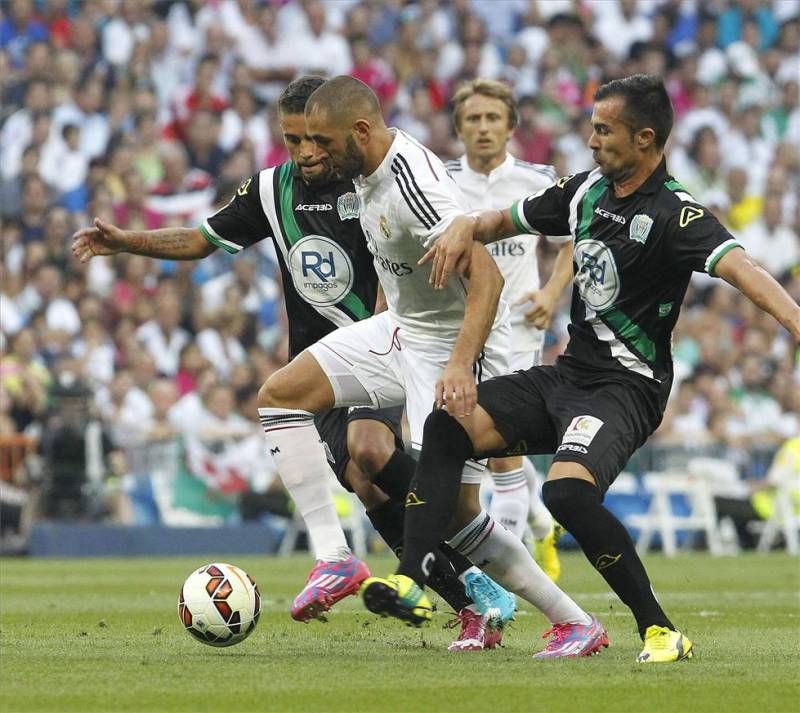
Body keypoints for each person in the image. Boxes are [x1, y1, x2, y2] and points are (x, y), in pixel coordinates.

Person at [71, 76, 504, 649]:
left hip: (385, 346)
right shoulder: (271, 190)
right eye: (292, 140)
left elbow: (413, 265)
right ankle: (467, 594)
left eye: (312, 140)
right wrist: (129, 241)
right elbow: (202, 239)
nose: (305, 153)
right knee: (364, 483)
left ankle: (457, 568)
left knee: (371, 452)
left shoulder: (369, 179)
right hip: (317, 365)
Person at [392, 74, 800, 663]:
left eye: (604, 130)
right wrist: (465, 226)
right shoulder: (584, 192)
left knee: (565, 494)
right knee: (448, 423)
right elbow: (503, 220)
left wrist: (793, 321)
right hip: (569, 375)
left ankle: (660, 631)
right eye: (592, 126)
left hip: (626, 389)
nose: (591, 140)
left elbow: (741, 267)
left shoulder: (677, 214)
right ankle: (412, 576)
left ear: (645, 138)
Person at [270, 75, 606, 657]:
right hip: (398, 331)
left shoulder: (413, 186)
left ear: (361, 131)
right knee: (280, 394)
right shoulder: (366, 175)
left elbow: (489, 276)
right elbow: (397, 274)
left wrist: (459, 364)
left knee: (458, 512)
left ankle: (573, 620)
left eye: (322, 141)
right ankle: (334, 557)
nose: (313, 153)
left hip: (444, 347)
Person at [447, 78, 572, 581]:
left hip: (517, 327)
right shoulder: (441, 180)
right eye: (473, 119)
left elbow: (570, 242)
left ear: (510, 125)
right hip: (459, 328)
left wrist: (549, 294)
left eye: (492, 118)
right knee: (471, 444)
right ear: (458, 128)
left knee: (500, 448)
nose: (483, 128)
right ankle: (541, 524)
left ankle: (500, 576)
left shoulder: (536, 178)